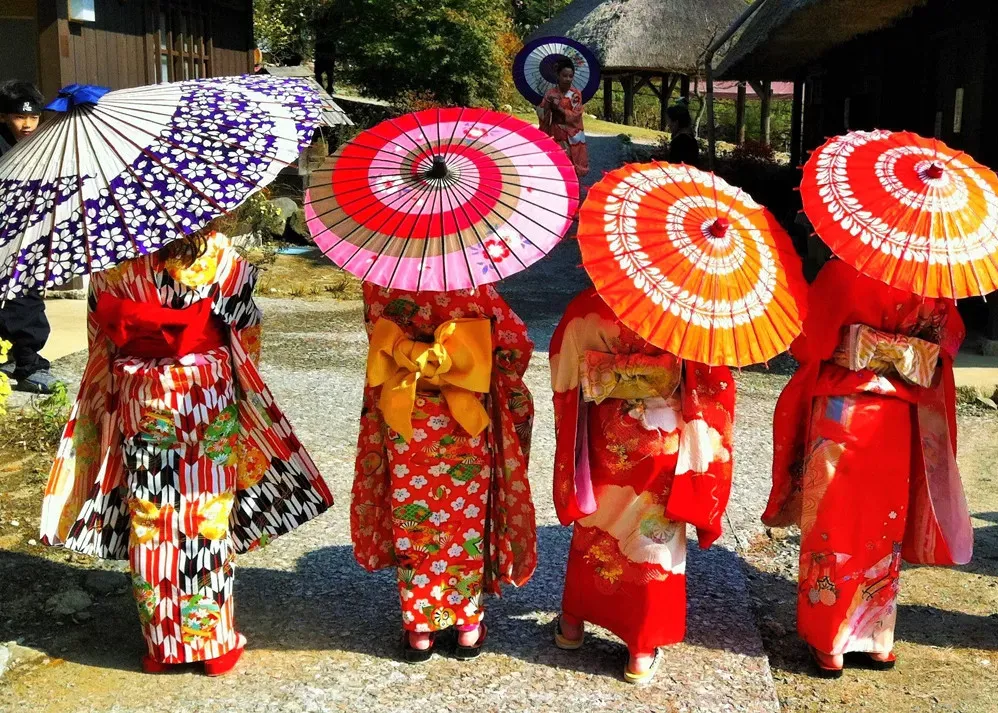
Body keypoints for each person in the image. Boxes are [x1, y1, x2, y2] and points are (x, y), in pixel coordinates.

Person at [39, 224, 334, 676]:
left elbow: (101, 328)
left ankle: (163, 647)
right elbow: (243, 323)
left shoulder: (108, 257)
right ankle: (213, 645)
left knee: (151, 513)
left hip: (141, 391)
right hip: (204, 390)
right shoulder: (214, 253)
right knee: (206, 510)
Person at [766, 259, 973, 677]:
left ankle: (831, 640)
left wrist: (857, 343)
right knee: (882, 525)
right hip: (895, 415)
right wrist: (903, 351)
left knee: (832, 520)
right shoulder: (933, 283)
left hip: (841, 407)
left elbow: (807, 343)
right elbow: (946, 343)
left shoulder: (843, 273)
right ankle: (877, 637)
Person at [550, 288, 735, 685]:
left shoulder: (587, 305)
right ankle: (639, 651)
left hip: (605, 434)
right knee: (654, 540)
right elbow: (713, 381)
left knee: (596, 526)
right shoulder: (689, 309)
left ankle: (571, 625)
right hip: (662, 439)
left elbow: (564, 372)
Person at [351, 283, 538, 662]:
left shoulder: (378, 284)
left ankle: (419, 629)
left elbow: (378, 336)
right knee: (462, 519)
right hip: (461, 417)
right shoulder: (469, 286)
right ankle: (467, 626)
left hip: (406, 415)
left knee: (413, 518)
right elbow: (515, 343)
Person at [0, 79, 60, 394]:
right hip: (5, 238)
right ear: (3, 117)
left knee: (26, 296)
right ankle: (29, 366)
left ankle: (15, 358)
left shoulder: (40, 146)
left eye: (33, 117)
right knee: (23, 303)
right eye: (18, 116)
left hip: (28, 234)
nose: (26, 124)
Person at [537, 57, 590, 177]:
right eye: (564, 75)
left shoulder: (576, 94)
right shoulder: (550, 94)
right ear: (558, 76)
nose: (568, 79)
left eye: (570, 76)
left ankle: (573, 190)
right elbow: (541, 113)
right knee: (557, 163)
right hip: (556, 131)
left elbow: (576, 115)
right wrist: (548, 105)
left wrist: (559, 109)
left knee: (572, 165)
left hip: (572, 134)